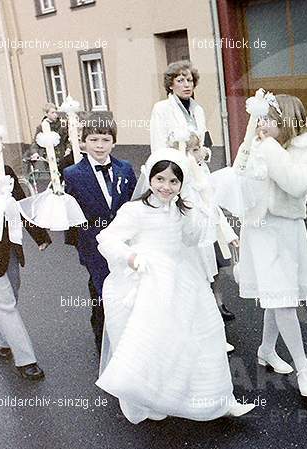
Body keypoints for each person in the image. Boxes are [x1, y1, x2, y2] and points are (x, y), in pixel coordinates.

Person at [95, 148, 255, 423]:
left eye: (173, 181)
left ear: (182, 184)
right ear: (150, 178)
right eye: (160, 179)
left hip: (183, 277)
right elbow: (107, 239)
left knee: (208, 333)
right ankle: (155, 397)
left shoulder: (182, 210)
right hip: (151, 280)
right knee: (160, 341)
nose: (166, 187)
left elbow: (192, 240)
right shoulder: (135, 211)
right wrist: (131, 257)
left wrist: (200, 210)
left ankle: (219, 400)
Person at [235, 93, 307, 397]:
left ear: (286, 121)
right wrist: (249, 148)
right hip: (259, 230)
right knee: (279, 297)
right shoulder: (259, 144)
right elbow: (239, 178)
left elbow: (295, 184)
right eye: (261, 118)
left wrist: (269, 147)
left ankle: (269, 351)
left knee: (281, 297)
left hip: (285, 230)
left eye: (268, 119)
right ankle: (299, 366)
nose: (262, 124)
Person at [150, 60, 235, 321]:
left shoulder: (197, 109)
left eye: (189, 80)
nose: (186, 85)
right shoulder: (162, 109)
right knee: (192, 245)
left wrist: (203, 153)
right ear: (171, 84)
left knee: (214, 238)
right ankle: (194, 305)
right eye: (180, 80)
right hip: (179, 181)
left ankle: (217, 300)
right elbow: (159, 148)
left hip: (201, 180)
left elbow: (204, 143)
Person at [63, 113, 137, 352]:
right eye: (93, 140)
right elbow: (71, 215)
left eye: (105, 140)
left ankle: (129, 340)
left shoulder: (124, 169)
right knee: (102, 292)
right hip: (93, 245)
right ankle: (104, 344)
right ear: (84, 142)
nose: (99, 146)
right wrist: (80, 248)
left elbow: (134, 203)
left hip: (123, 243)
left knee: (126, 292)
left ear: (113, 142)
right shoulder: (73, 174)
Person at [171, 132, 238, 352]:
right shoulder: (182, 183)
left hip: (208, 237)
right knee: (196, 286)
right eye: (194, 149)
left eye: (199, 148)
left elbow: (213, 208)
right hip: (192, 242)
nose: (200, 153)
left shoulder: (201, 174)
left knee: (212, 276)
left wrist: (228, 234)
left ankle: (212, 332)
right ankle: (199, 334)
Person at [0, 140, 51, 380]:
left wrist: (39, 236)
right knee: (5, 303)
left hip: (8, 247)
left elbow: (22, 205)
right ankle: (26, 359)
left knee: (12, 295)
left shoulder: (5, 172)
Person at [26, 102, 72, 174]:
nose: (55, 115)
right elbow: (35, 143)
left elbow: (68, 139)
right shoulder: (42, 127)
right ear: (46, 114)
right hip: (50, 158)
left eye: (56, 112)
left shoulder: (62, 125)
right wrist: (35, 153)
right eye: (52, 113)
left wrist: (68, 149)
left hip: (63, 156)